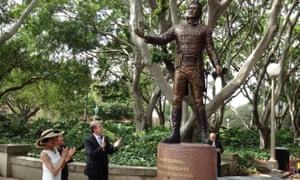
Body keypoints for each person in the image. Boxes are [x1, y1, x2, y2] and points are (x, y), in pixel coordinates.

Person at [135, 0, 222, 143]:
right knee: (176, 99)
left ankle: (204, 135)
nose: (192, 10)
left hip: (196, 66)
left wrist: (217, 63)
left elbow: (210, 49)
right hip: (181, 67)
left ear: (200, 12)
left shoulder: (204, 30)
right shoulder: (177, 28)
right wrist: (146, 37)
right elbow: (162, 39)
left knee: (199, 101)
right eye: (190, 8)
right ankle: (175, 134)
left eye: (195, 9)